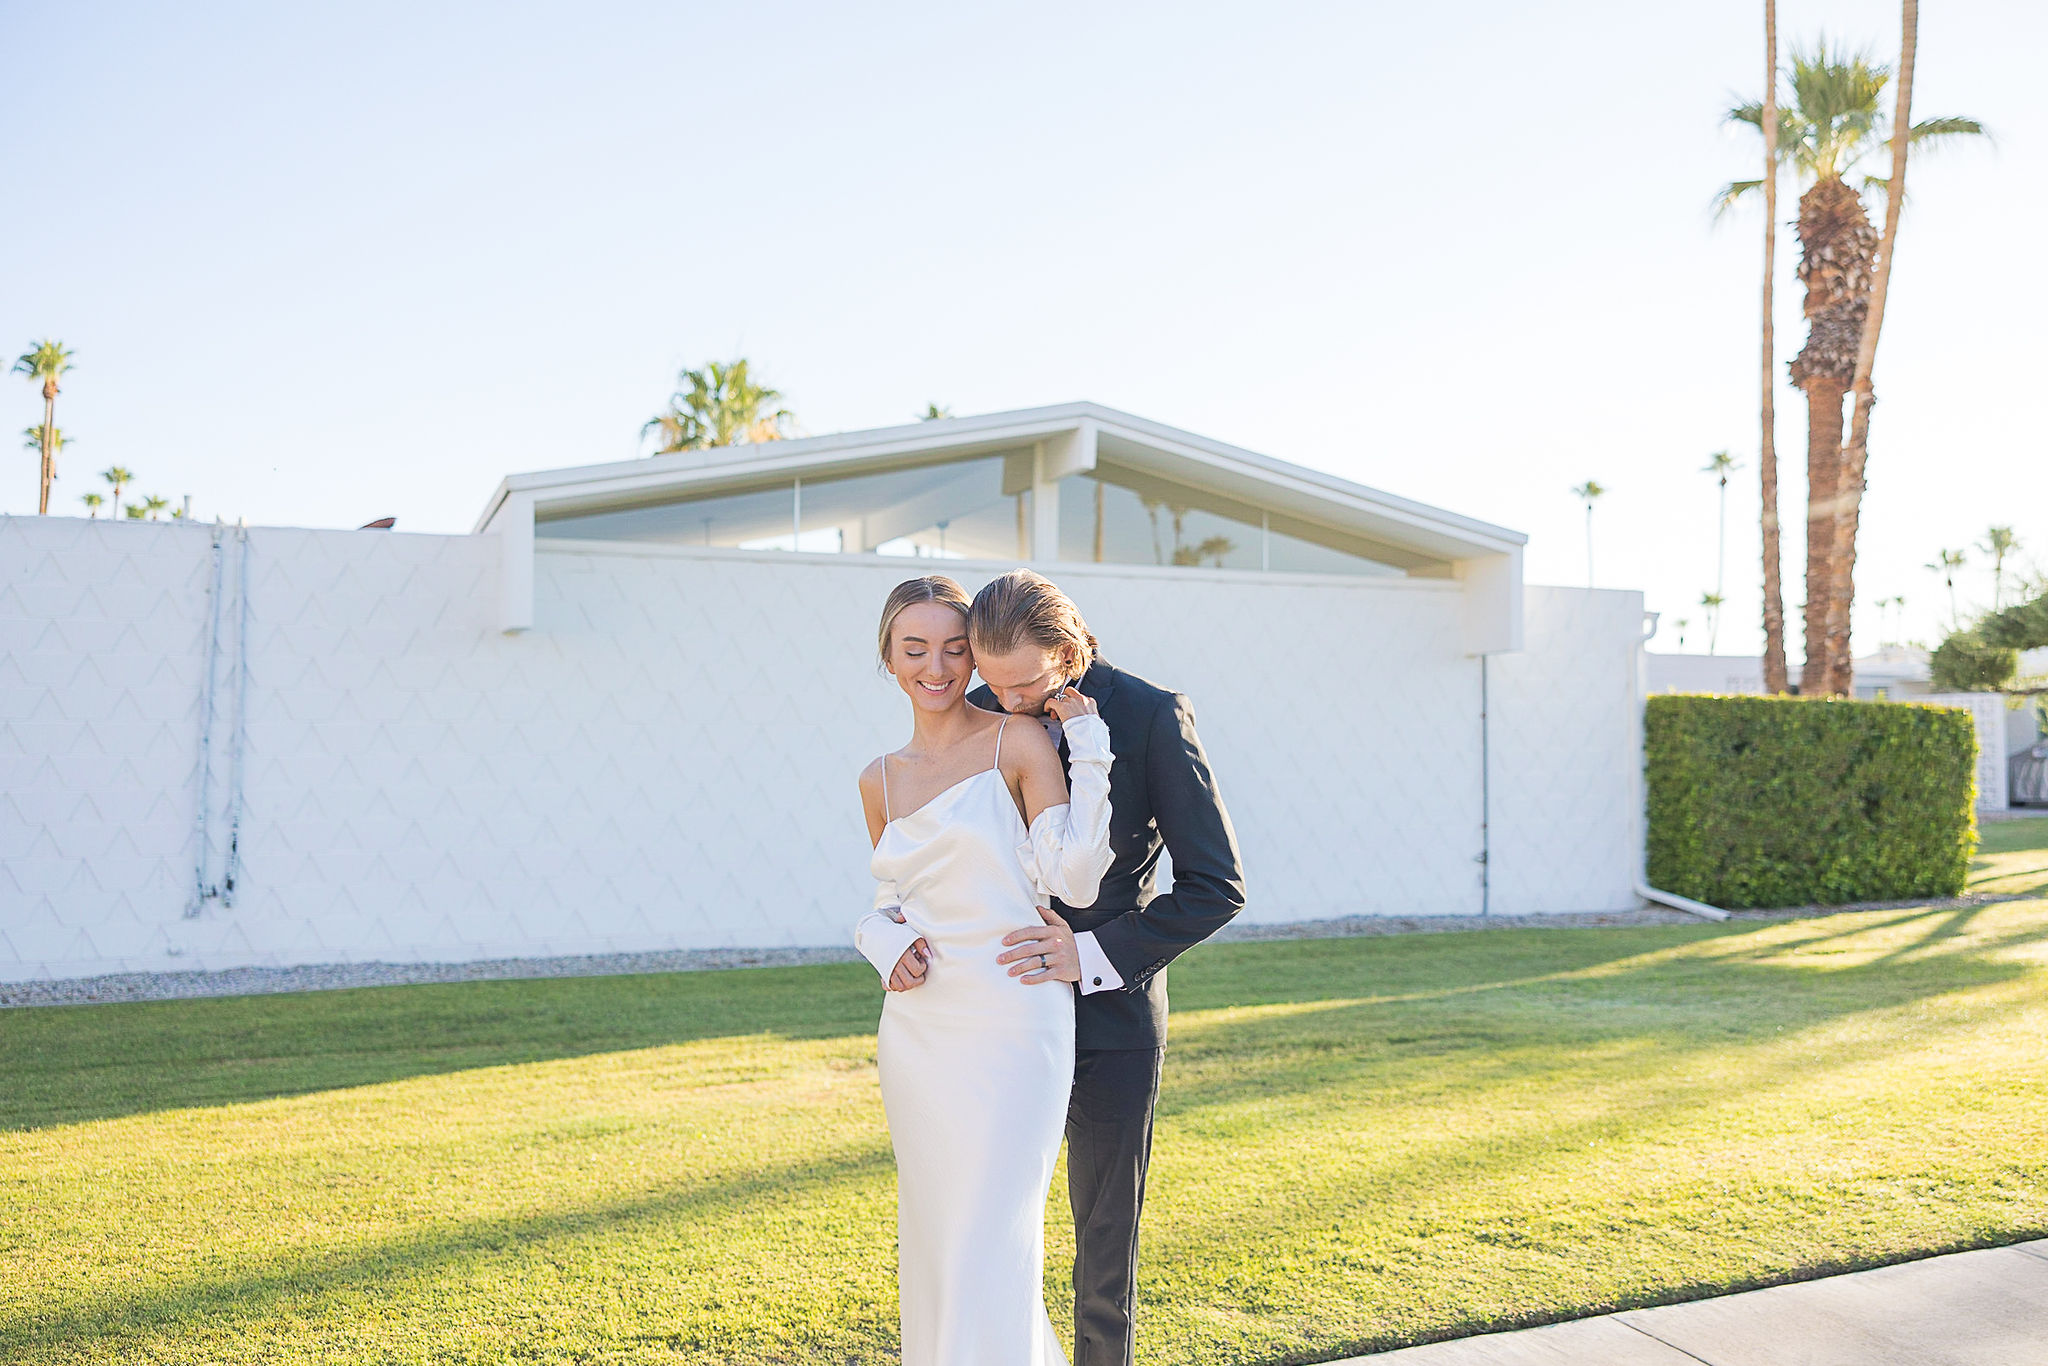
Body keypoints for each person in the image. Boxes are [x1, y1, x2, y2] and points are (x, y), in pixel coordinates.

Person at [878, 568, 1247, 1366]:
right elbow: (930, 870)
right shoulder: (974, 725)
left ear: (1072, 650)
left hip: (1113, 1018)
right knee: (982, 1229)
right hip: (988, 1017)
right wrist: (887, 937)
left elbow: (1217, 888)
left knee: (1103, 1251)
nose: (1007, 704)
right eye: (993, 682)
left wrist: (1086, 954)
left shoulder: (1150, 716)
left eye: (1025, 687)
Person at [852, 575, 1117, 1366]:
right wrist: (878, 941)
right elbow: (889, 900)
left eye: (954, 649)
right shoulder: (880, 778)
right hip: (922, 1032)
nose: (936, 666)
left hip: (1016, 1012)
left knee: (997, 1229)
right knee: (935, 1231)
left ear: (974, 659)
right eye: (915, 649)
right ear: (890, 661)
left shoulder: (1019, 742)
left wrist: (1093, 748)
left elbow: (1074, 880)